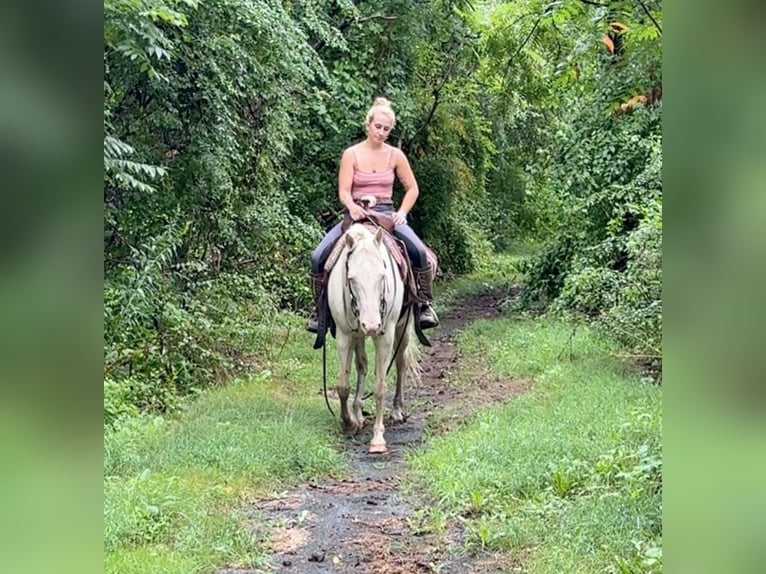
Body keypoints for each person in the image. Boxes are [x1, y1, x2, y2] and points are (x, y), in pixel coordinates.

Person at [307, 97, 439, 333]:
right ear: (368, 125)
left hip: (386, 215)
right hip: (356, 215)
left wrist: (402, 212)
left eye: (386, 129)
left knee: (419, 252)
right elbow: (343, 192)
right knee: (318, 256)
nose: (381, 132)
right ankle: (321, 312)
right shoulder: (351, 154)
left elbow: (412, 189)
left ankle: (423, 306)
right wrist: (353, 207)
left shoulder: (396, 155)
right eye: (378, 127)